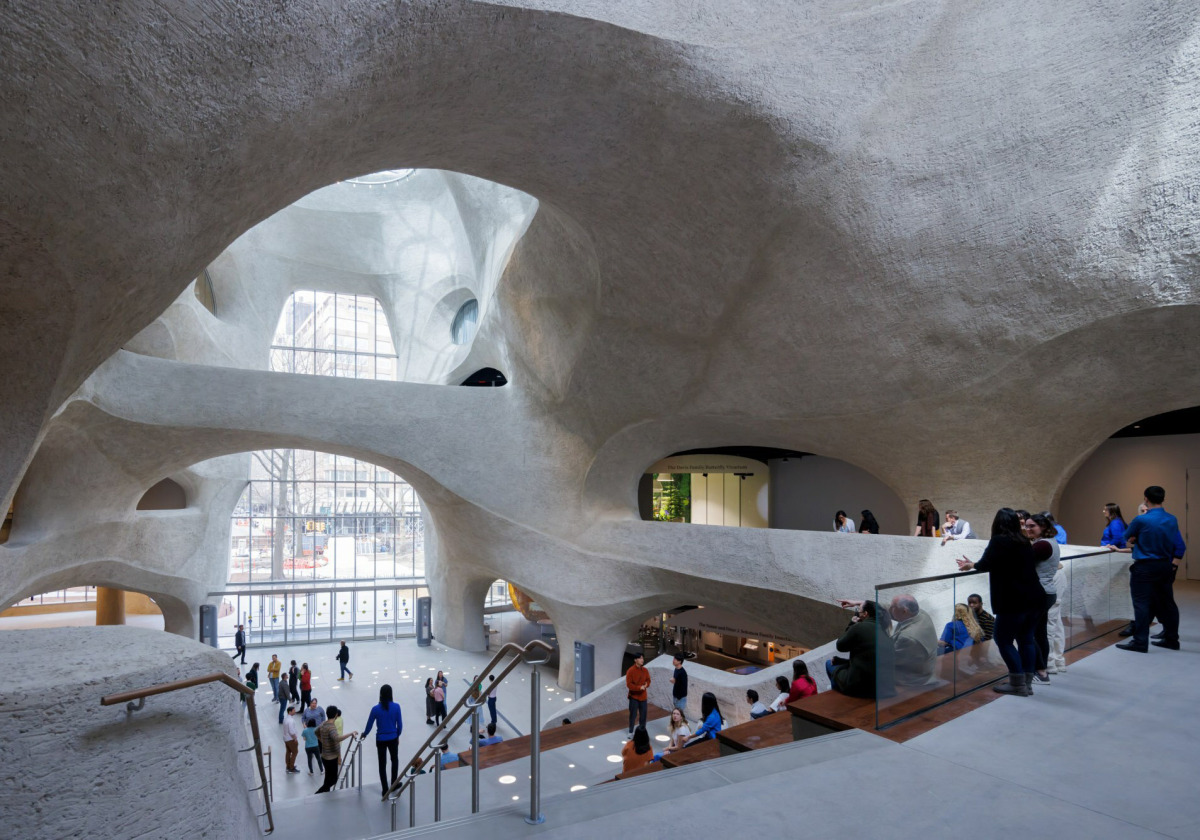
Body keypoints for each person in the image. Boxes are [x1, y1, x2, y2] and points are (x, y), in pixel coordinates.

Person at [956, 508, 1044, 696]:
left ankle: (1017, 684)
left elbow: (986, 564)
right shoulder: (1024, 541)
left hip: (1012, 600)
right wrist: (974, 564)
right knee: (1026, 639)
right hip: (1035, 597)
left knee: (1003, 639)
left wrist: (972, 565)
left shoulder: (999, 541)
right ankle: (1027, 682)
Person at [1115, 485, 1184, 653]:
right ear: (1163, 499)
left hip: (1145, 566)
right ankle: (1172, 639)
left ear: (1146, 498)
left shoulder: (1142, 519)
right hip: (1165, 566)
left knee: (1141, 604)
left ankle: (1140, 642)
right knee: (1168, 604)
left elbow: (1127, 537)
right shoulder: (1172, 519)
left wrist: (1137, 538)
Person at [826, 600, 891, 699]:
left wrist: (851, 624)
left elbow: (840, 646)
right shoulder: (885, 633)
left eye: (858, 610)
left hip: (861, 686)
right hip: (881, 686)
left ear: (865, 614)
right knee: (840, 665)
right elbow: (868, 659)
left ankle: (839, 698)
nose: (857, 612)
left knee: (828, 664)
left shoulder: (859, 627)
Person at [1027, 512, 1060, 683]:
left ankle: (1040, 671)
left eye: (1032, 526)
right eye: (1026, 525)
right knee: (1039, 633)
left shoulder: (1042, 546)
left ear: (1044, 527)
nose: (1028, 529)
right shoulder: (1047, 543)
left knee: (1029, 633)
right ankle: (1042, 670)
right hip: (1045, 592)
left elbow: (1021, 562)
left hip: (1040, 593)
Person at [362, 684, 402, 796]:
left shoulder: (375, 709)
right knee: (394, 760)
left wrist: (364, 734)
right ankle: (394, 784)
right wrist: (397, 735)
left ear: (380, 694)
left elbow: (369, 724)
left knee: (382, 764)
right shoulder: (396, 706)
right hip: (393, 738)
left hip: (380, 739)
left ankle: (385, 789)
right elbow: (400, 725)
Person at [890, 594, 938, 685]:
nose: (890, 609)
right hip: (924, 667)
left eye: (893, 607)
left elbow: (890, 659)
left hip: (912, 678)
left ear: (904, 611)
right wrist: (867, 604)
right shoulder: (921, 614)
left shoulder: (908, 638)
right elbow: (893, 611)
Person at [314, 706, 356, 793]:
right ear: (336, 715)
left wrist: (323, 741)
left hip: (325, 756)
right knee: (333, 780)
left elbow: (316, 732)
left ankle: (325, 794)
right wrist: (350, 734)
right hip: (331, 758)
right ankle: (318, 793)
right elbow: (337, 738)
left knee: (328, 778)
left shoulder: (323, 724)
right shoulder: (331, 727)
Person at [625, 652, 651, 737]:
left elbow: (648, 680)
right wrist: (639, 687)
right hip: (634, 696)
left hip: (643, 696)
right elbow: (629, 684)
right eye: (640, 658)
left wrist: (646, 684)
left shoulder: (645, 670)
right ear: (635, 660)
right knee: (633, 715)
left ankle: (642, 731)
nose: (642, 660)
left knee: (643, 715)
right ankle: (631, 731)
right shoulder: (630, 671)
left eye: (642, 658)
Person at [281, 703, 301, 773]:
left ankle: (288, 766)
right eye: (293, 710)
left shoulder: (285, 718)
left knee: (288, 752)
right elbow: (292, 731)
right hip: (291, 739)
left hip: (286, 738)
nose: (295, 711)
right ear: (290, 711)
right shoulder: (291, 721)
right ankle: (291, 768)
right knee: (295, 752)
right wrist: (295, 738)